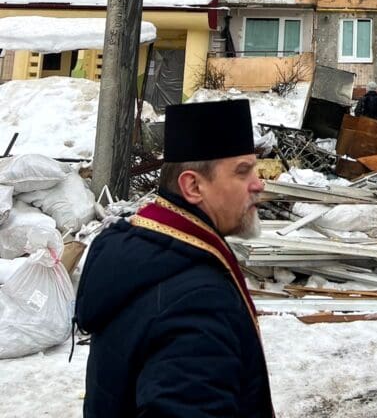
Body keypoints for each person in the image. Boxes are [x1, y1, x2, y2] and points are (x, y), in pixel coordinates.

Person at [75, 98, 273, 418]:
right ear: (193, 186)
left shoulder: (145, 251)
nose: (258, 183)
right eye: (242, 171)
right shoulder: (197, 300)